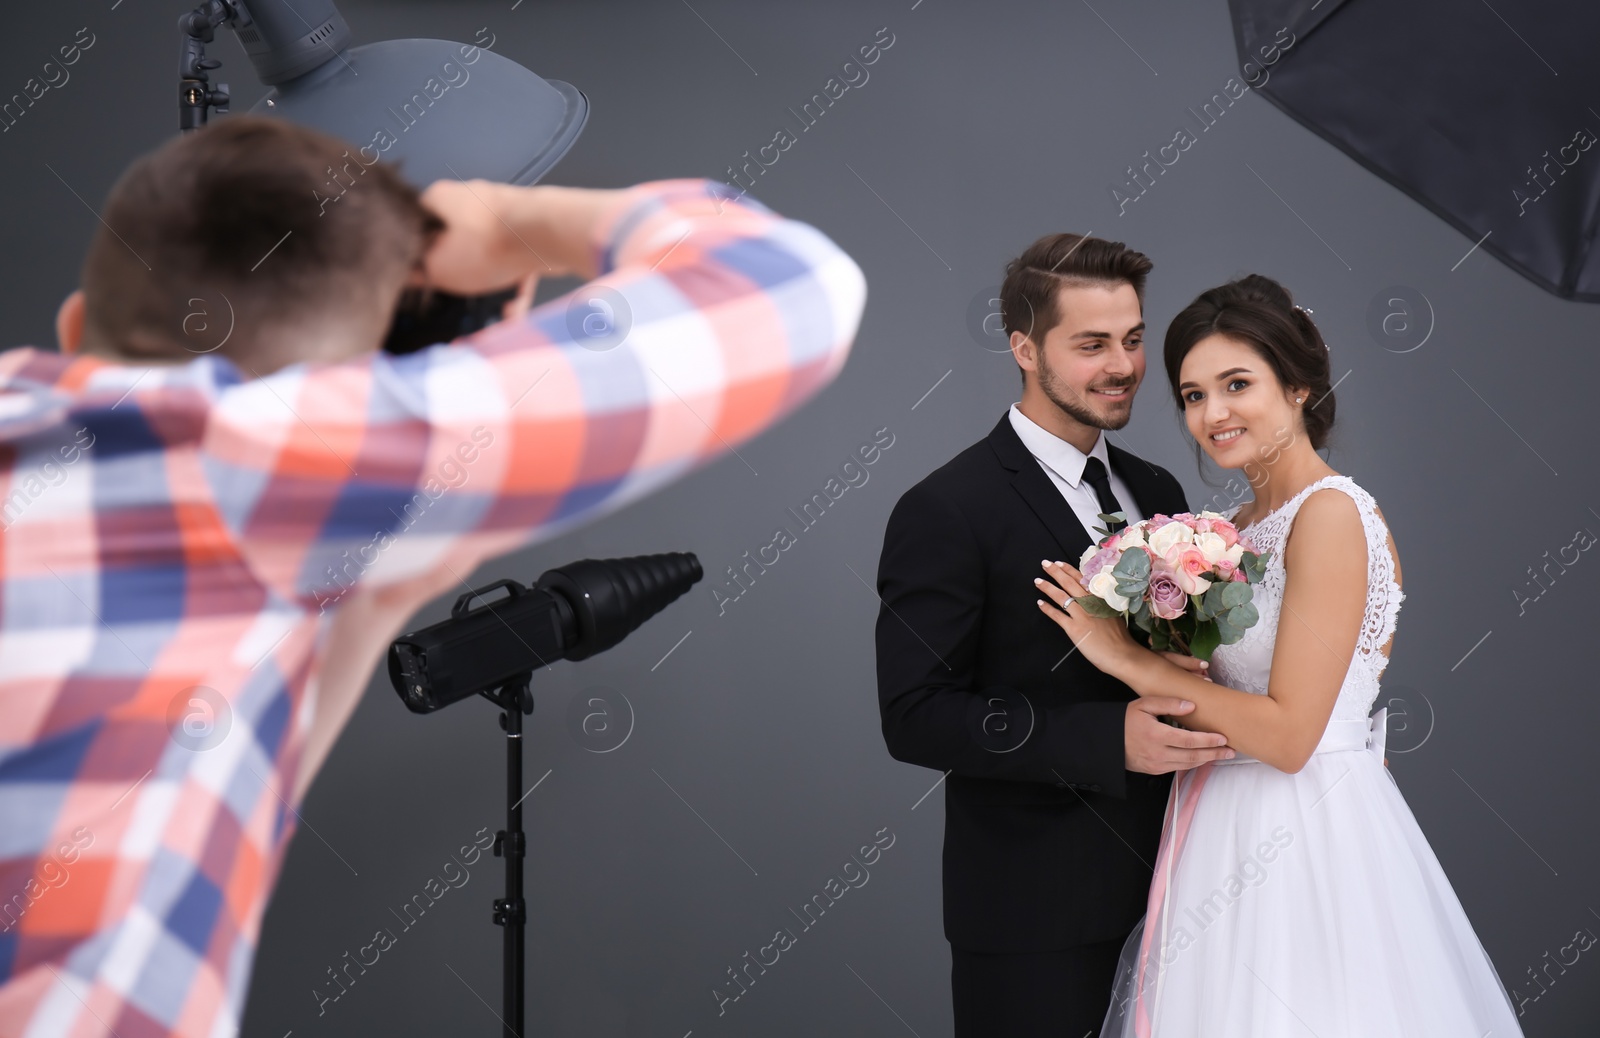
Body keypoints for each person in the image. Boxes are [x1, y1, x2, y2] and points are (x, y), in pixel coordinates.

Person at [0, 115, 866, 1037]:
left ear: (73, 328)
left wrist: (379, 600)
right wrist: (504, 222)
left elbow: (197, 791)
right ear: (352, 390)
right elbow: (801, 285)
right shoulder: (247, 455)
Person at [1035, 274, 1525, 1036]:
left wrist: (1126, 660)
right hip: (1214, 826)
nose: (1213, 413)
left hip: (1304, 837)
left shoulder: (1329, 515)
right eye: (1193, 395)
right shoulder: (1226, 529)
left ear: (1297, 387)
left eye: (1237, 384)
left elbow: (1292, 736)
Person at [873, 233, 1230, 1038]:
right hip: (1033, 908)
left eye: (1134, 339)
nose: (1124, 366)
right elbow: (915, 713)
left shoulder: (1157, 486)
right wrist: (1109, 738)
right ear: (1025, 348)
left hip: (1186, 882)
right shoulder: (947, 509)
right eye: (1092, 345)